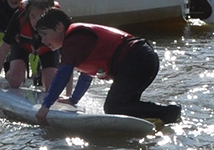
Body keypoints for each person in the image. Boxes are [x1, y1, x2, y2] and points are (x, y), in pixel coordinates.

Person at [32, 9, 181, 125]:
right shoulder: (75, 43)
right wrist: (73, 100)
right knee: (124, 105)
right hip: (143, 59)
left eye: (45, 34)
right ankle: (158, 118)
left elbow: (63, 74)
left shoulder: (73, 40)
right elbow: (87, 74)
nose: (43, 40)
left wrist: (46, 106)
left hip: (138, 59)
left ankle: (169, 112)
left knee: (113, 107)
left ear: (59, 27)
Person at [0, 0, 61, 91]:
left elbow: (68, 60)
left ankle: (41, 73)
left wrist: (68, 95)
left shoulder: (58, 22)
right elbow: (3, 48)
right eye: (33, 16)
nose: (36, 21)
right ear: (28, 13)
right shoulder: (19, 16)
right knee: (15, 81)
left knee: (51, 87)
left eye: (41, 16)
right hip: (22, 45)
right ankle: (9, 69)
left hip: (47, 50)